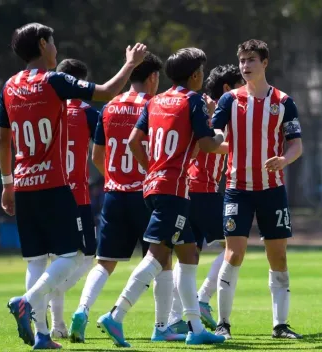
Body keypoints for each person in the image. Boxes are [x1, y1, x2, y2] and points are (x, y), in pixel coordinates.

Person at [0, 22, 147, 349]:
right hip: (52, 184)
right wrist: (131, 64)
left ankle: (41, 335)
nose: (56, 49)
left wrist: (7, 184)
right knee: (72, 254)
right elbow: (107, 92)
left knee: (35, 260)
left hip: (23, 185)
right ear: (41, 44)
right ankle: (27, 300)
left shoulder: (9, 86)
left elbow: (5, 141)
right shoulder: (54, 80)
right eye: (53, 43)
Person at [96, 47, 226, 346]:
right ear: (195, 76)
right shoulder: (192, 99)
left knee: (189, 253)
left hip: (153, 186)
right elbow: (207, 145)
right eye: (202, 73)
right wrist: (217, 132)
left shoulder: (156, 101)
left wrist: (152, 169)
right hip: (174, 191)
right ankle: (116, 315)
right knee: (157, 255)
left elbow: (133, 141)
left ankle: (194, 328)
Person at [68, 53, 163, 343]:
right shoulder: (154, 106)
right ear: (152, 78)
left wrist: (114, 178)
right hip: (146, 194)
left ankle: (82, 310)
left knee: (105, 262)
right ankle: (163, 326)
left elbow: (96, 156)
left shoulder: (109, 106)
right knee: (161, 259)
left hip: (114, 194)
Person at [212, 39, 303, 340]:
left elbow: (296, 145)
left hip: (272, 190)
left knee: (278, 257)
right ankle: (223, 323)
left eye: (251, 60)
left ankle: (280, 325)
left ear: (265, 63)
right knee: (234, 253)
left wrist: (283, 160)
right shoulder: (230, 101)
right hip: (237, 188)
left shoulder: (283, 101)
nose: (245, 66)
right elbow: (214, 135)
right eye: (241, 60)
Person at [168, 64, 244, 333]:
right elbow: (210, 145)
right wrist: (247, 148)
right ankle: (201, 300)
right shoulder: (212, 112)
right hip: (203, 189)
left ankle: (178, 315)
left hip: (191, 189)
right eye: (240, 84)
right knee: (235, 245)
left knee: (189, 254)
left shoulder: (203, 107)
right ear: (227, 88)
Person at [43, 58, 100, 339]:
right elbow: (100, 149)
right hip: (76, 195)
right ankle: (38, 297)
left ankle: (57, 324)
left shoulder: (46, 110)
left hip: (46, 192)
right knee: (89, 256)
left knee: (57, 258)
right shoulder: (87, 113)